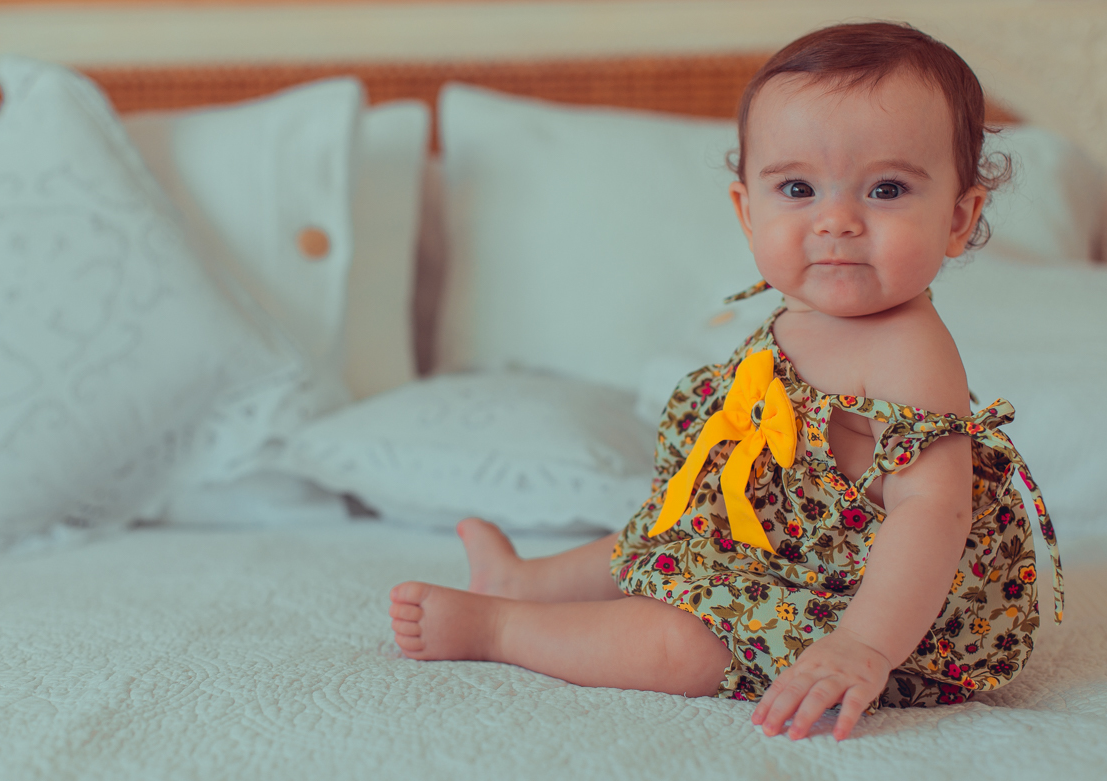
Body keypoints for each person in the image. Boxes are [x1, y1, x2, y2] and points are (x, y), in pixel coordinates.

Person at [388, 21, 1062, 742]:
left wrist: (862, 645)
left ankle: (501, 627)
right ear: (749, 212)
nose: (836, 221)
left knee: (683, 645)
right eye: (798, 188)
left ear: (959, 218)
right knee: (657, 537)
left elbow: (933, 513)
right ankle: (526, 582)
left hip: (865, 604)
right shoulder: (795, 315)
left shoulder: (908, 350)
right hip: (773, 548)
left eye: (887, 189)